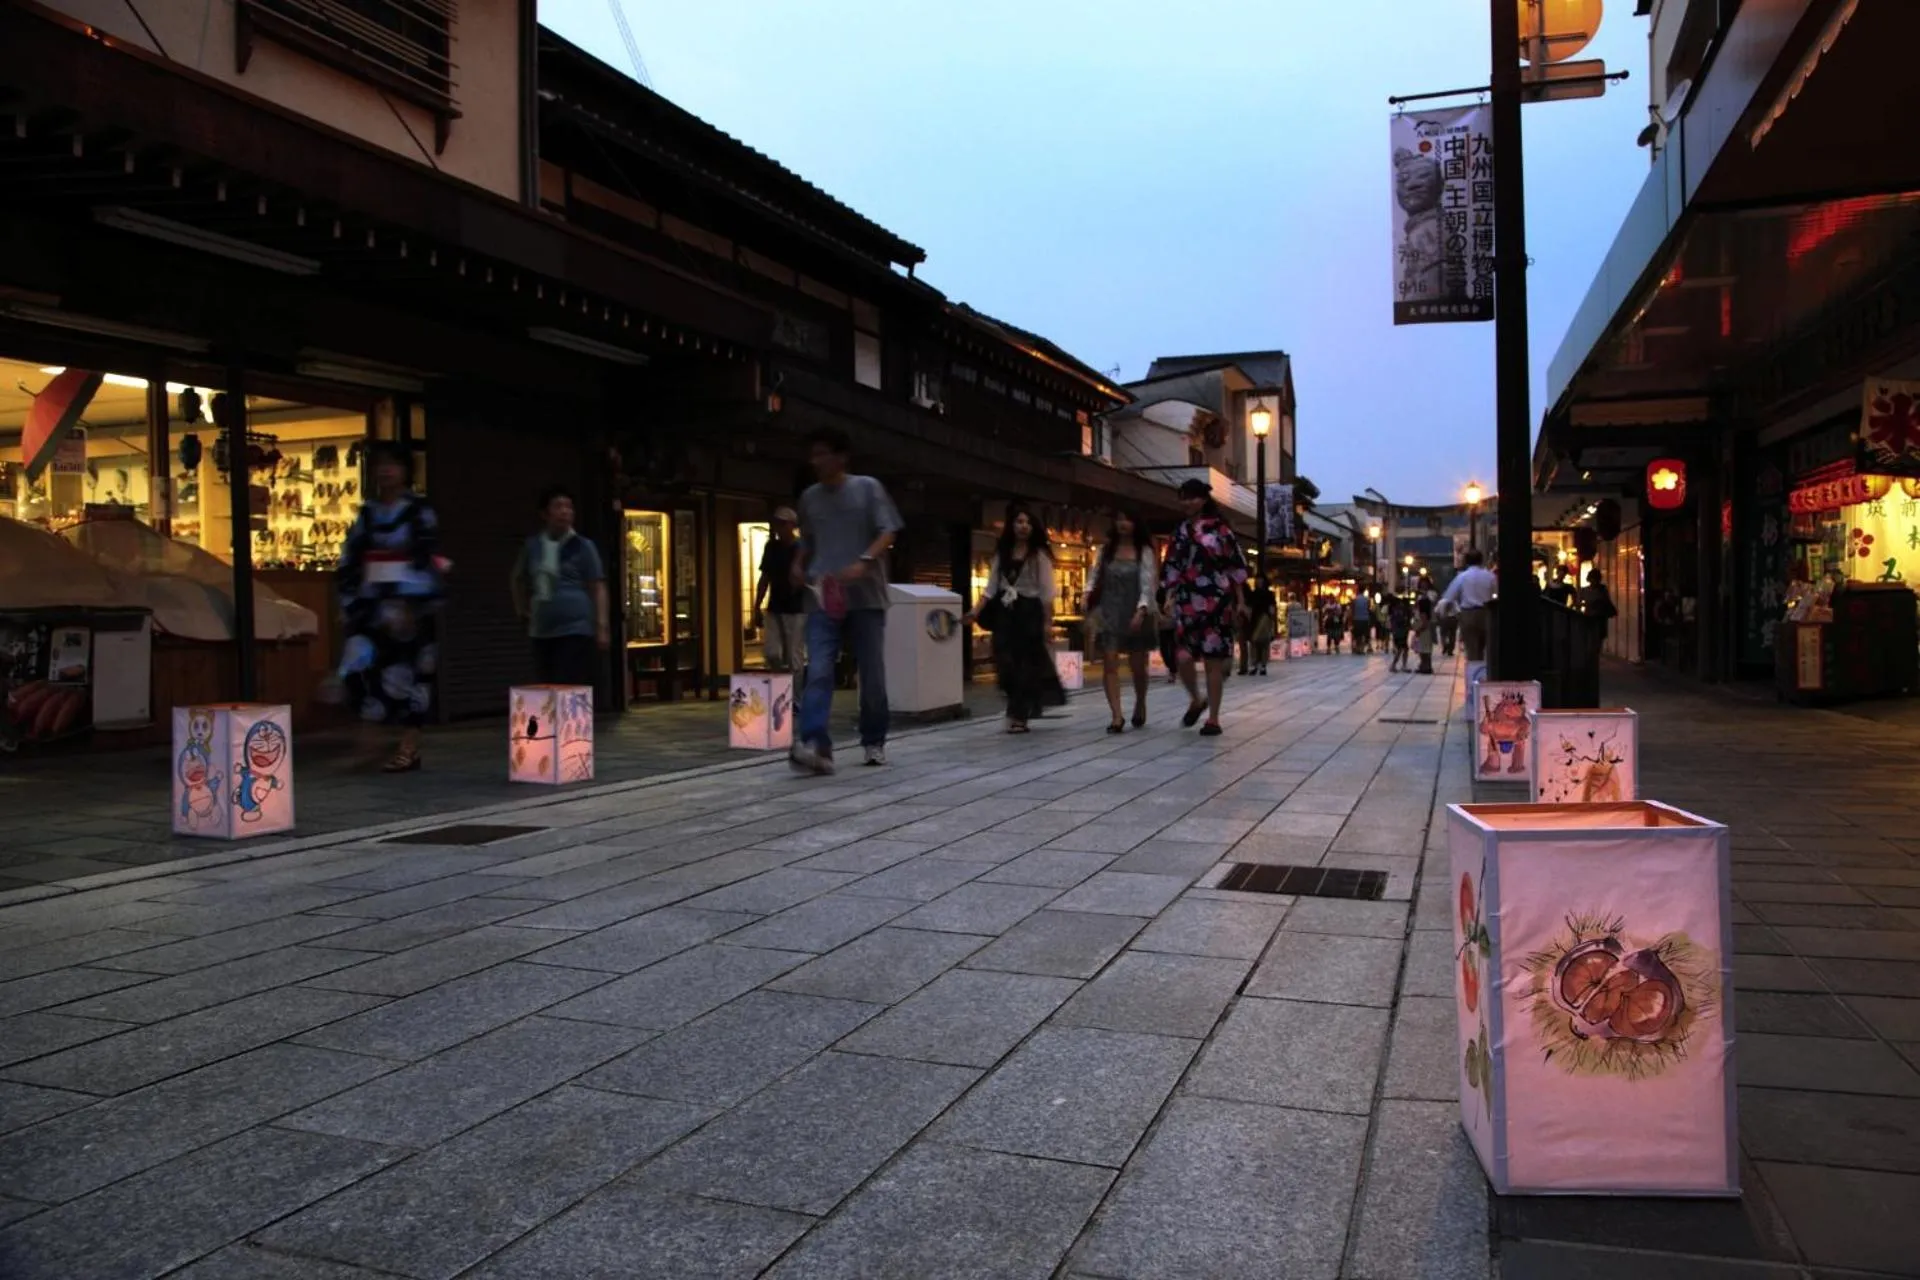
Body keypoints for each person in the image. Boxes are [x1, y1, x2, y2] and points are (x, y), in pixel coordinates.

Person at [789, 427, 903, 774]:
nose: (817, 461)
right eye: (813, 454)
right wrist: (798, 562)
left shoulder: (868, 488)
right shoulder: (809, 498)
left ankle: (873, 739)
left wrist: (864, 562)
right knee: (819, 668)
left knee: (871, 672)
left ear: (841, 457)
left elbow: (888, 531)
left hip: (866, 596)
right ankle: (815, 743)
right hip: (824, 594)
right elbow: (808, 539)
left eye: (823, 453)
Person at [333, 441, 444, 773]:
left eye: (392, 464)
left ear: (405, 470)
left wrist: (414, 604)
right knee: (360, 669)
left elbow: (428, 557)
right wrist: (348, 600)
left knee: (413, 677)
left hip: (410, 606)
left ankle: (408, 748)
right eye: (380, 464)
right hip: (372, 605)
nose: (385, 470)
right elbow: (350, 559)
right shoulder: (367, 513)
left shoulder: (419, 511)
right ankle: (368, 742)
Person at [1161, 478, 1249, 737]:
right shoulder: (1179, 531)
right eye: (1184, 497)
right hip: (1187, 598)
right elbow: (1172, 565)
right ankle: (1196, 699)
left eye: (1193, 497)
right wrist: (1169, 594)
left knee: (1213, 661)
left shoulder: (1221, 530)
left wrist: (1241, 600)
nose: (1188, 502)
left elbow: (1235, 565)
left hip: (1217, 598)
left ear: (1204, 498)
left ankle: (1213, 718)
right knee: (1183, 657)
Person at [970, 502, 1067, 733]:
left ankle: (1019, 715)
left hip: (1029, 611)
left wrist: (1047, 623)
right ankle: (1016, 705)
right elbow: (991, 587)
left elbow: (1046, 592)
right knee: (1005, 662)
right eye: (1019, 522)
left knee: (1026, 664)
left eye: (1028, 523)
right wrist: (975, 610)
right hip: (1005, 611)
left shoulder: (1039, 555)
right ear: (1012, 525)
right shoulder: (1002, 553)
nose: (1023, 527)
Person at [510, 486, 608, 687]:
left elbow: (597, 587)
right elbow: (517, 578)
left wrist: (601, 626)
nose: (565, 512)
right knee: (546, 688)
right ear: (544, 514)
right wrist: (521, 609)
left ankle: (570, 720)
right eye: (558, 506)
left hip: (575, 628)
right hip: (541, 628)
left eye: (569, 507)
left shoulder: (583, 546)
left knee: (568, 686)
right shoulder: (533, 545)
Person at [1087, 509, 1157, 732]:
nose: (1122, 523)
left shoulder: (1144, 551)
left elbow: (1147, 583)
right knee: (1109, 661)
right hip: (1109, 611)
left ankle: (1141, 702)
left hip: (1135, 610)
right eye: (1118, 519)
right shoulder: (1105, 550)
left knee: (1138, 665)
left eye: (1127, 518)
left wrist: (1142, 609)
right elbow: (1094, 575)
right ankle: (1116, 715)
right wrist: (1087, 594)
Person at [753, 507, 806, 673]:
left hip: (797, 607)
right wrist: (757, 605)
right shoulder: (772, 547)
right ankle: (781, 687)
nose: (779, 528)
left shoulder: (801, 547)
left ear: (792, 525)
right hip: (774, 605)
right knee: (771, 652)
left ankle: (796, 696)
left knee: (794, 656)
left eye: (783, 524)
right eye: (777, 524)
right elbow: (765, 577)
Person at [1440, 548, 1497, 662]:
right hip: (1486, 613)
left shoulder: (1462, 577)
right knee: (1485, 647)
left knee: (1471, 649)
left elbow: (1449, 597)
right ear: (1481, 560)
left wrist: (1444, 614)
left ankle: (1474, 674)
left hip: (1468, 614)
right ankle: (1484, 671)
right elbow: (1496, 594)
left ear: (1466, 561)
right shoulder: (1490, 576)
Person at [1240, 571, 1278, 676]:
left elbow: (1272, 607)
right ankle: (1256, 665)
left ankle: (1262, 665)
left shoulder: (1269, 594)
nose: (1258, 582)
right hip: (1254, 619)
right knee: (1254, 642)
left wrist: (1271, 619)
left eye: (1260, 580)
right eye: (1257, 580)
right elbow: (1249, 607)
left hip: (1264, 619)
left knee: (1263, 643)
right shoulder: (1253, 594)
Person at [1580, 568, 1618, 641]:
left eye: (1595, 579)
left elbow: (1606, 602)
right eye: (1593, 579)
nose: (1594, 581)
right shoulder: (1600, 590)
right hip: (1593, 617)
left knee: (1596, 639)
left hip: (1597, 617)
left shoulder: (1601, 590)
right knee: (1594, 639)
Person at [1387, 593, 1413, 672]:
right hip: (1401, 632)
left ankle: (1400, 665)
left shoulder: (1394, 611)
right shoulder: (1399, 611)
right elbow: (1403, 621)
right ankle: (1395, 665)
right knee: (1402, 649)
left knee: (1403, 649)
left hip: (1398, 632)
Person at [1413, 595, 1437, 674]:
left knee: (1423, 651)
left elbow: (1424, 624)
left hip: (1423, 633)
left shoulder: (1423, 613)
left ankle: (1424, 667)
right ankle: (1428, 667)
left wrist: (1418, 630)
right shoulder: (1430, 612)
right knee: (1427, 651)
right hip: (1428, 633)